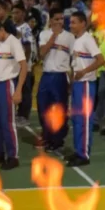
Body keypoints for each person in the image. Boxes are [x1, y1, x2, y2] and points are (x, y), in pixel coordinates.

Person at [0, 19, 28, 170]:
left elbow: (24, 65)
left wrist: (18, 89)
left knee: (7, 122)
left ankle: (13, 156)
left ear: (2, 29)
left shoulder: (13, 42)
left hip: (8, 83)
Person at [67, 12, 105, 167]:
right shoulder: (77, 40)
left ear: (83, 23)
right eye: (70, 22)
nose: (71, 25)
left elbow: (101, 60)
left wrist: (84, 71)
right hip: (78, 83)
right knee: (77, 119)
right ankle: (78, 150)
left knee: (84, 120)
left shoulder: (87, 39)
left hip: (86, 84)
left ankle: (84, 154)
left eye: (74, 22)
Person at [37, 9, 74, 152]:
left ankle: (58, 140)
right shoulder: (44, 34)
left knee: (59, 109)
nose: (60, 22)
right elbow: (41, 54)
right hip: (46, 75)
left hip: (61, 76)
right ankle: (47, 136)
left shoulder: (69, 37)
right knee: (43, 107)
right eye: (57, 19)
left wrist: (72, 80)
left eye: (62, 19)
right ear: (51, 20)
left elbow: (72, 60)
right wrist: (53, 36)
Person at [11, 4, 36, 126]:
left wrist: (24, 64)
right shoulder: (14, 27)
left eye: (17, 12)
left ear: (23, 14)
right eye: (13, 13)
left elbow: (28, 46)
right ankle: (19, 113)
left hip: (24, 65)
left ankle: (24, 116)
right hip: (16, 65)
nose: (14, 15)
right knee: (18, 88)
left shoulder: (25, 28)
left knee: (25, 90)